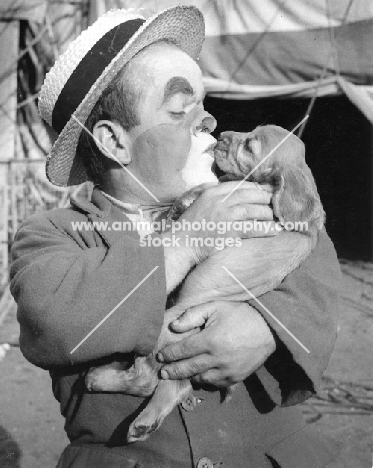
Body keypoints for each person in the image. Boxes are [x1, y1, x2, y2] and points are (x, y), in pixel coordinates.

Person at [10, 6, 341, 468]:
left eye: (206, 106)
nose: (209, 122)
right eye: (181, 109)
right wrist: (185, 241)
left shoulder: (251, 205)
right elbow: (53, 319)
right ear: (113, 141)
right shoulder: (54, 235)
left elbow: (314, 253)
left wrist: (267, 325)